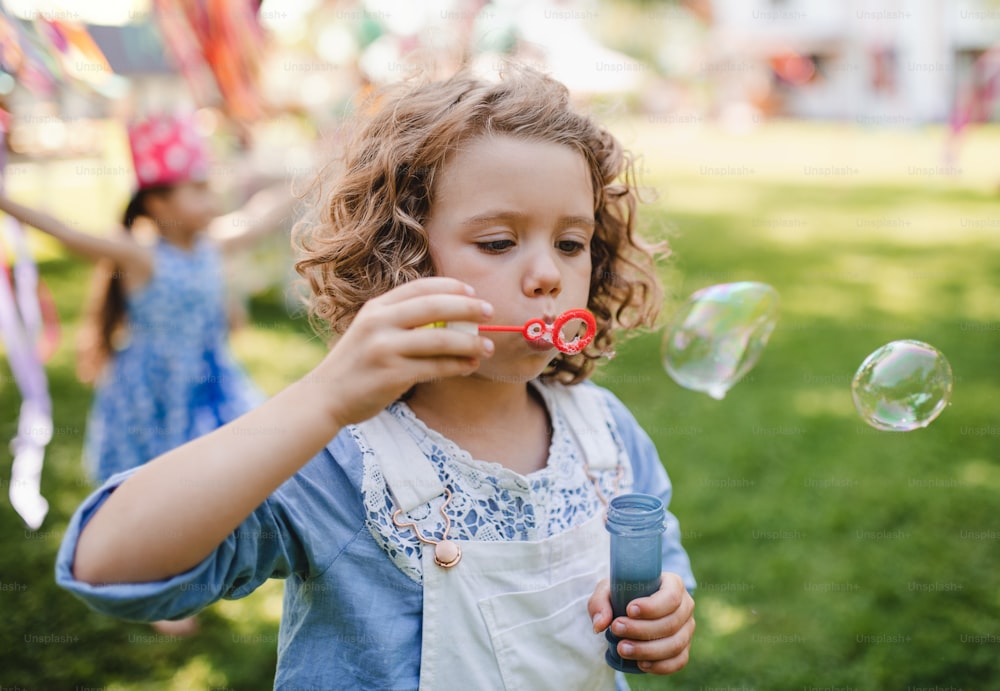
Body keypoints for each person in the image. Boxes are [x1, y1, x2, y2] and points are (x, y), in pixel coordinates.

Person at [55, 67, 696, 690]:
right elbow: (109, 565)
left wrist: (663, 606)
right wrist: (324, 399)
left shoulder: (605, 433)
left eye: (571, 242)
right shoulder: (338, 460)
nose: (549, 275)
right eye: (499, 242)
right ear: (403, 259)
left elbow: (658, 557)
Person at [0, 113, 296, 486]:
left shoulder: (212, 244)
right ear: (158, 204)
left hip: (209, 377)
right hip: (151, 386)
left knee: (224, 474)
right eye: (198, 190)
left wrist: (320, 172)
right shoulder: (142, 256)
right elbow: (65, 231)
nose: (211, 198)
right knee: (151, 480)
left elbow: (259, 216)